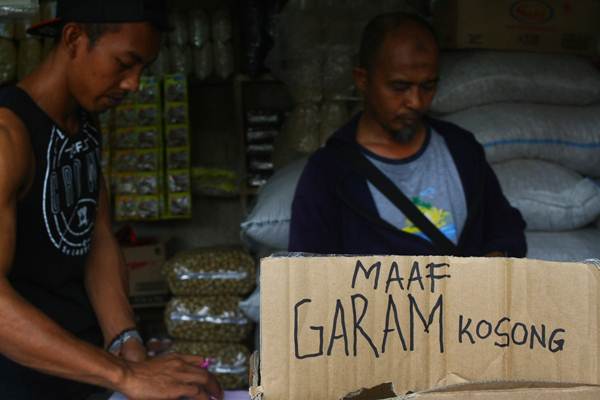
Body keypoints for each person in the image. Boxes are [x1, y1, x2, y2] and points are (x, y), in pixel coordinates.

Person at [0, 1, 222, 399]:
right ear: (73, 38)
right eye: (124, 63)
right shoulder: (8, 135)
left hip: (85, 373)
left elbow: (97, 238)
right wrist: (125, 376)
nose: (133, 84)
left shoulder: (84, 126)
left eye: (142, 69)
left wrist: (128, 344)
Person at [289, 12, 527, 257]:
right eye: (399, 87)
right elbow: (308, 274)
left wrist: (496, 258)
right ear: (362, 80)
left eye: (428, 86)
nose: (415, 101)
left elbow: (505, 228)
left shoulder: (461, 149)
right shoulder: (328, 174)